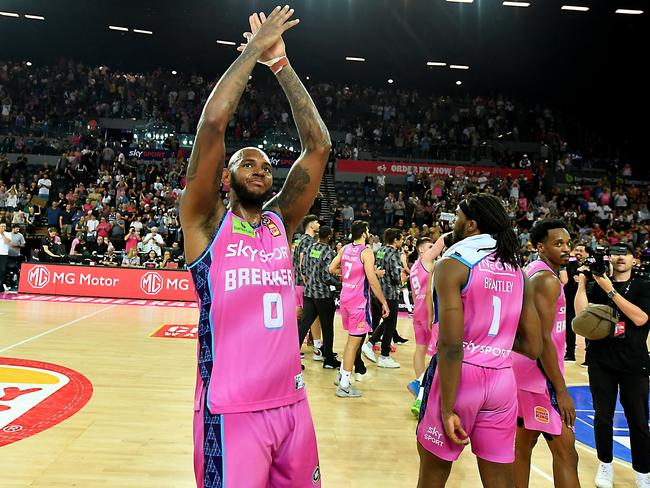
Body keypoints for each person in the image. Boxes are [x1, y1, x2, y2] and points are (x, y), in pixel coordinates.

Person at [179, 7, 330, 487]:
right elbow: (212, 128)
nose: (261, 169)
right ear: (226, 177)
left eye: (267, 165)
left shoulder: (280, 223)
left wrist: (281, 65)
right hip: (232, 410)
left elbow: (319, 146)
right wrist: (251, 52)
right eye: (248, 163)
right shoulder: (205, 224)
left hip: (292, 406)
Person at [417, 193, 542, 488]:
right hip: (501, 380)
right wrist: (492, 344)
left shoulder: (453, 264)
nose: (453, 222)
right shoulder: (517, 270)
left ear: (471, 225)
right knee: (500, 481)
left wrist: (447, 409)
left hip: (460, 379)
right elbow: (533, 346)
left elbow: (450, 346)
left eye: (457, 217)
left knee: (432, 477)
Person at [575, 243, 650, 488]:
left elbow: (640, 318)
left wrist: (610, 291)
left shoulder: (643, 286)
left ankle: (643, 471)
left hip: (634, 361)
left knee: (638, 420)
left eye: (625, 254)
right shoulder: (596, 285)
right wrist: (583, 283)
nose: (620, 258)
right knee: (603, 417)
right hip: (601, 360)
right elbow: (581, 317)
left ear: (634, 259)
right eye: (615, 254)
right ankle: (605, 465)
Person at [512, 219, 580, 488]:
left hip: (524, 374)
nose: (566, 248)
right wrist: (561, 390)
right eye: (558, 243)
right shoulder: (546, 280)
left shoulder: (533, 270)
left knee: (522, 446)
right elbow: (542, 339)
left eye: (568, 243)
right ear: (540, 246)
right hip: (540, 377)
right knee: (566, 453)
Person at [329, 220, 389, 397]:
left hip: (345, 299)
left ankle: (341, 375)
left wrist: (350, 274)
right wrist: (384, 302)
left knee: (351, 341)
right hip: (358, 302)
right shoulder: (367, 252)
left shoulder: (345, 249)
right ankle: (345, 385)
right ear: (364, 233)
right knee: (354, 343)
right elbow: (371, 280)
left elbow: (332, 268)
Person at [407, 236, 446, 409]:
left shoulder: (414, 267)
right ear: (421, 250)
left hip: (418, 310)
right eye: (429, 246)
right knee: (437, 353)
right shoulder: (425, 259)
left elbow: (414, 296)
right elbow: (441, 243)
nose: (432, 249)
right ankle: (424, 386)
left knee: (420, 349)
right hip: (428, 311)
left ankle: (419, 382)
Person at [298, 225, 341, 369]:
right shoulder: (329, 251)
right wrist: (338, 283)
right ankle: (328, 359)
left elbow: (302, 269)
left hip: (309, 292)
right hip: (323, 295)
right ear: (329, 237)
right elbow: (326, 276)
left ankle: (291, 357)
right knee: (327, 327)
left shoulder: (309, 248)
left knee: (304, 325)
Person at [362, 228, 403, 368]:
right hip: (389, 293)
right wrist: (402, 280)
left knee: (386, 322)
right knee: (390, 324)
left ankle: (370, 343)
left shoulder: (379, 250)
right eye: (401, 239)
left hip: (377, 292)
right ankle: (384, 356)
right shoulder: (395, 254)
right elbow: (396, 277)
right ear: (396, 239)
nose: (402, 241)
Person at [292, 214, 323, 359]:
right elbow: (301, 263)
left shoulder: (299, 240)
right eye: (317, 222)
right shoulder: (307, 241)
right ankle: (318, 348)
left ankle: (292, 346)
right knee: (313, 316)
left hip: (297, 283)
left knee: (298, 315)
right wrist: (307, 282)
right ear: (310, 225)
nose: (318, 224)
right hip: (303, 284)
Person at [563, 242, 589, 362]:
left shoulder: (592, 266)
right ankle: (570, 353)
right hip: (570, 300)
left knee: (590, 326)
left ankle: (589, 355)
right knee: (570, 326)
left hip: (587, 300)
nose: (578, 253)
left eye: (581, 250)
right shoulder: (569, 264)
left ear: (587, 253)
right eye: (577, 250)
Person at [0, 222, 11, 292]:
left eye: (4, 226)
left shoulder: (8, 234)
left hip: (4, 254)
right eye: (1, 226)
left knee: (3, 270)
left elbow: (7, 241)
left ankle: (2, 284)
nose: (3, 227)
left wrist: (3, 234)